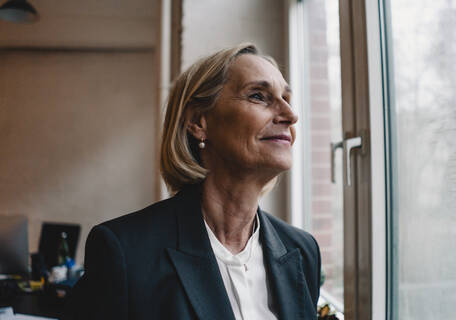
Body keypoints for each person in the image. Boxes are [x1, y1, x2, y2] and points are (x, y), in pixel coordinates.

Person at [64, 43, 321, 320]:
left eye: (287, 98)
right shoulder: (124, 251)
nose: (290, 115)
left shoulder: (303, 251)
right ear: (199, 121)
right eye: (259, 96)